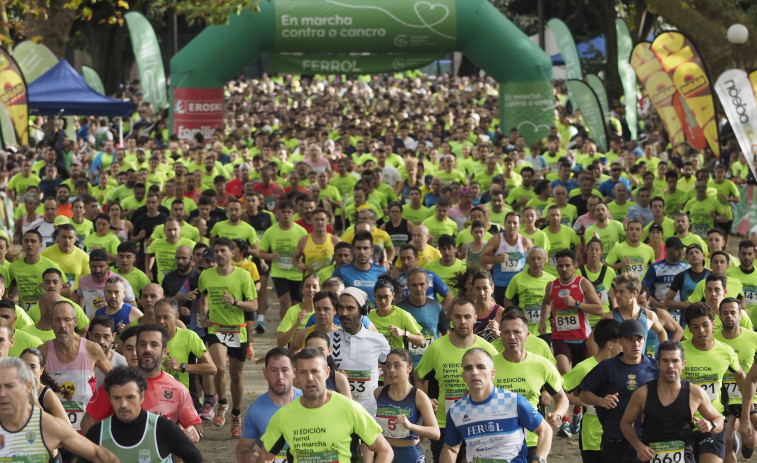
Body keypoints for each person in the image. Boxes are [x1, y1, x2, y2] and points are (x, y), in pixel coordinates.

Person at [256, 347, 394, 463]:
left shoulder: (350, 409)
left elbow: (385, 451)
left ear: (327, 372)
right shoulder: (283, 416)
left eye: (315, 371)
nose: (309, 378)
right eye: (303, 372)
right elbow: (264, 457)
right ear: (295, 375)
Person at [81, 324, 203, 441]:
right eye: (142, 344)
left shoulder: (177, 388)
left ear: (164, 351)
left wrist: (195, 433)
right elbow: (88, 423)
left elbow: (196, 426)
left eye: (154, 345)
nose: (147, 349)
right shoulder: (117, 383)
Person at [415, 297, 499, 463]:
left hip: (478, 422)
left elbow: (498, 384)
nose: (462, 321)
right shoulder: (436, 348)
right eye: (458, 317)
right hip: (444, 423)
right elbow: (418, 377)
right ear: (450, 318)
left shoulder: (487, 349)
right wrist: (426, 399)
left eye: (467, 317)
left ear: (475, 318)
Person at [440, 348, 553, 463]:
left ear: (493, 373)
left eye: (481, 367)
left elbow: (545, 429)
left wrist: (539, 460)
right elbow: (450, 449)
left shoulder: (513, 401)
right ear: (463, 376)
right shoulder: (456, 411)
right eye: (468, 368)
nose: (474, 372)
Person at [620, 340, 726, 463]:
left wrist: (711, 425)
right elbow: (625, 423)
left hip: (684, 457)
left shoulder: (695, 393)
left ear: (683, 364)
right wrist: (638, 446)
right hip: (651, 456)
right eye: (665, 361)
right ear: (658, 363)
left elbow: (719, 420)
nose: (670, 366)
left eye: (675, 361)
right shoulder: (642, 393)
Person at [0, 357, 118, 463]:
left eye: (10, 386)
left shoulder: (47, 426)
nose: (2, 394)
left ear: (27, 387)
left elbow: (99, 455)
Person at [680, 302, 754, 463]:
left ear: (713, 325)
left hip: (713, 422)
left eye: (705, 325)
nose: (701, 331)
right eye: (695, 327)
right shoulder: (679, 352)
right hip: (681, 424)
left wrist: (748, 412)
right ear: (689, 329)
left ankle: (729, 437)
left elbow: (743, 379)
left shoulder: (725, 351)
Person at [578, 319, 661, 463]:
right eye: (630, 339)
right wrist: (600, 400)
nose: (636, 344)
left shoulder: (655, 368)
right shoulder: (607, 367)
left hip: (646, 443)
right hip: (615, 442)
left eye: (639, 339)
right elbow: (583, 394)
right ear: (620, 342)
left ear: (644, 340)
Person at [81, 366, 203, 463]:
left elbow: (195, 458)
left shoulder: (163, 429)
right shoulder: (97, 433)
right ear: (110, 399)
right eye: (117, 398)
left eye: (130, 397)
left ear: (142, 397)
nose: (123, 404)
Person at [199, 238, 258, 437]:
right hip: (216, 329)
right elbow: (204, 297)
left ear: (232, 253)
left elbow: (254, 306)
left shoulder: (243, 276)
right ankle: (222, 403)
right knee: (219, 368)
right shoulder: (206, 276)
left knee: (236, 375)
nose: (219, 255)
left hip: (237, 330)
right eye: (216, 251)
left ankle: (236, 414)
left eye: (223, 250)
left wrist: (235, 302)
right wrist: (202, 315)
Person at [493, 308, 568, 455]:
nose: (511, 337)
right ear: (500, 335)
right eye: (506, 332)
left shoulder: (542, 365)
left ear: (527, 335)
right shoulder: (489, 366)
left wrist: (557, 414)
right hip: (498, 442)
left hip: (533, 440)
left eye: (517, 332)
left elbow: (562, 398)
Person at [40, 300, 112, 431]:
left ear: (75, 322)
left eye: (67, 320)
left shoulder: (92, 349)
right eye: (57, 320)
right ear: (51, 323)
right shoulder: (43, 352)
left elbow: (117, 380)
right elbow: (31, 389)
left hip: (86, 429)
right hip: (55, 430)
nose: (62, 325)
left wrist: (101, 407)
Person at [562, 319, 622, 463]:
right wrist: (581, 401)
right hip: (592, 440)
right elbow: (558, 391)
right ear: (610, 344)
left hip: (618, 437)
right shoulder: (584, 367)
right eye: (621, 342)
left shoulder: (623, 366)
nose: (623, 346)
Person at [540, 249, 604, 374]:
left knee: (581, 374)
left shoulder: (583, 283)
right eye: (560, 265)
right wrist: (543, 321)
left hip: (582, 337)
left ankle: (574, 394)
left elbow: (600, 309)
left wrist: (577, 304)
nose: (564, 269)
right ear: (556, 267)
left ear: (575, 266)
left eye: (567, 265)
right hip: (560, 336)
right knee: (563, 369)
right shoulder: (551, 285)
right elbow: (546, 302)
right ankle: (565, 393)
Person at [329, 287, 390, 415]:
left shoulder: (378, 340)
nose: (344, 313)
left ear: (362, 310)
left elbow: (389, 373)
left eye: (350, 308)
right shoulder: (327, 340)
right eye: (341, 307)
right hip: (336, 412)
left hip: (370, 414)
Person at [236, 348, 303, 463]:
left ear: (294, 373)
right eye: (273, 370)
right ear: (265, 373)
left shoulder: (309, 402)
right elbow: (243, 447)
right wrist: (248, 457)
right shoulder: (255, 410)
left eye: (285, 370)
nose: (280, 377)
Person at [374, 349, 440, 463]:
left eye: (397, 365)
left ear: (409, 368)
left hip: (410, 455)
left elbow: (435, 433)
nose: (391, 370)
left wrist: (410, 426)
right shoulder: (378, 392)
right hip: (385, 453)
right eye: (388, 366)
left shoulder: (419, 396)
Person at [713, 297, 757, 462]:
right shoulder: (714, 340)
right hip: (725, 398)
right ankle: (731, 444)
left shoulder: (754, 338)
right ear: (720, 316)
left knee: (751, 442)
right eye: (725, 313)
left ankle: (746, 442)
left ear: (740, 316)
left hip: (751, 395)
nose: (729, 316)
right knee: (726, 440)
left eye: (733, 312)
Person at [259, 200, 308, 315]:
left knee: (297, 304)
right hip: (279, 272)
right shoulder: (270, 232)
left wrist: (302, 262)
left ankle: (296, 329)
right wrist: (271, 256)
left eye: (289, 212)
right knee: (284, 302)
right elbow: (261, 253)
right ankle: (284, 330)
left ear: (293, 213)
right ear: (278, 214)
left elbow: (307, 252)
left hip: (296, 273)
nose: (286, 214)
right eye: (283, 212)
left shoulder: (301, 231)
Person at [602, 273, 668, 358]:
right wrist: (602, 363)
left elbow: (661, 332)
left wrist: (664, 356)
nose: (617, 295)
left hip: (640, 367)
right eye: (616, 291)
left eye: (621, 292)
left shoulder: (649, 316)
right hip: (617, 369)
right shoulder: (609, 317)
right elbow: (592, 341)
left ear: (633, 293)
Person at [396, 268, 448, 367]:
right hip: (408, 365)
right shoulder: (399, 309)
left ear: (427, 284)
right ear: (408, 286)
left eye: (422, 284)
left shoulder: (437, 307)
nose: (418, 288)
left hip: (433, 363)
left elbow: (446, 334)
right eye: (414, 285)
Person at [479, 212, 533, 304]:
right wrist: (497, 259)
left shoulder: (525, 241)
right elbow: (482, 259)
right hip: (501, 285)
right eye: (509, 222)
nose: (511, 225)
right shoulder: (496, 240)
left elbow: (534, 258)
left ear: (519, 225)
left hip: (519, 285)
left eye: (515, 223)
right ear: (504, 224)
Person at [504, 247, 555, 336]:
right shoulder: (517, 278)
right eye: (533, 259)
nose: (536, 262)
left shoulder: (552, 280)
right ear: (527, 261)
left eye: (539, 258)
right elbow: (507, 298)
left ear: (545, 260)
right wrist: (516, 314)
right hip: (524, 329)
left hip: (546, 328)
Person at [9, 229, 64, 310]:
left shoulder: (51, 265)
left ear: (40, 245)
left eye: (33, 241)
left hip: (47, 311)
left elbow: (67, 290)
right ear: (22, 244)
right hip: (25, 313)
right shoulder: (13, 267)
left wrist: (50, 292)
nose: (29, 244)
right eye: (26, 241)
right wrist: (14, 297)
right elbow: (10, 291)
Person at [368, 275, 425, 351]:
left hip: (396, 361)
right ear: (374, 296)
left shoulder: (403, 315)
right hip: (376, 361)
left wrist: (404, 333)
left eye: (386, 297)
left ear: (392, 295)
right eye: (379, 297)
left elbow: (421, 342)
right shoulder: (369, 317)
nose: (383, 301)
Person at [77, 249, 137, 318]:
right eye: (94, 266)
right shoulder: (83, 281)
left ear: (107, 265)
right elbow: (80, 297)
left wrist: (111, 306)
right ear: (89, 265)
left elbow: (133, 307)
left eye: (101, 266)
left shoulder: (122, 283)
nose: (97, 270)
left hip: (115, 324)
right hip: (91, 324)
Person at [332, 231, 388, 303]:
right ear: (353, 250)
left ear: (372, 251)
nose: (362, 252)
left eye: (365, 248)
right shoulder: (341, 271)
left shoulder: (382, 271)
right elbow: (332, 297)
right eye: (358, 248)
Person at [20, 348, 68, 422]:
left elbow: (67, 427)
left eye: (32, 367)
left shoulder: (47, 395)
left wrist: (34, 401)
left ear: (41, 370)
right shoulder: (12, 391)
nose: (28, 371)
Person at [146, 217, 197, 284]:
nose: (172, 233)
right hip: (163, 284)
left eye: (175, 229)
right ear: (164, 231)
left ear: (180, 230)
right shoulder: (156, 243)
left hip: (183, 284)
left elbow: (199, 259)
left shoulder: (190, 244)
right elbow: (148, 254)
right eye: (169, 230)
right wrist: (148, 271)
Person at [88, 315, 128, 388]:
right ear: (90, 336)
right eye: (97, 336)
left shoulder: (121, 364)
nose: (101, 341)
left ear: (113, 336)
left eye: (106, 336)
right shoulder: (80, 360)